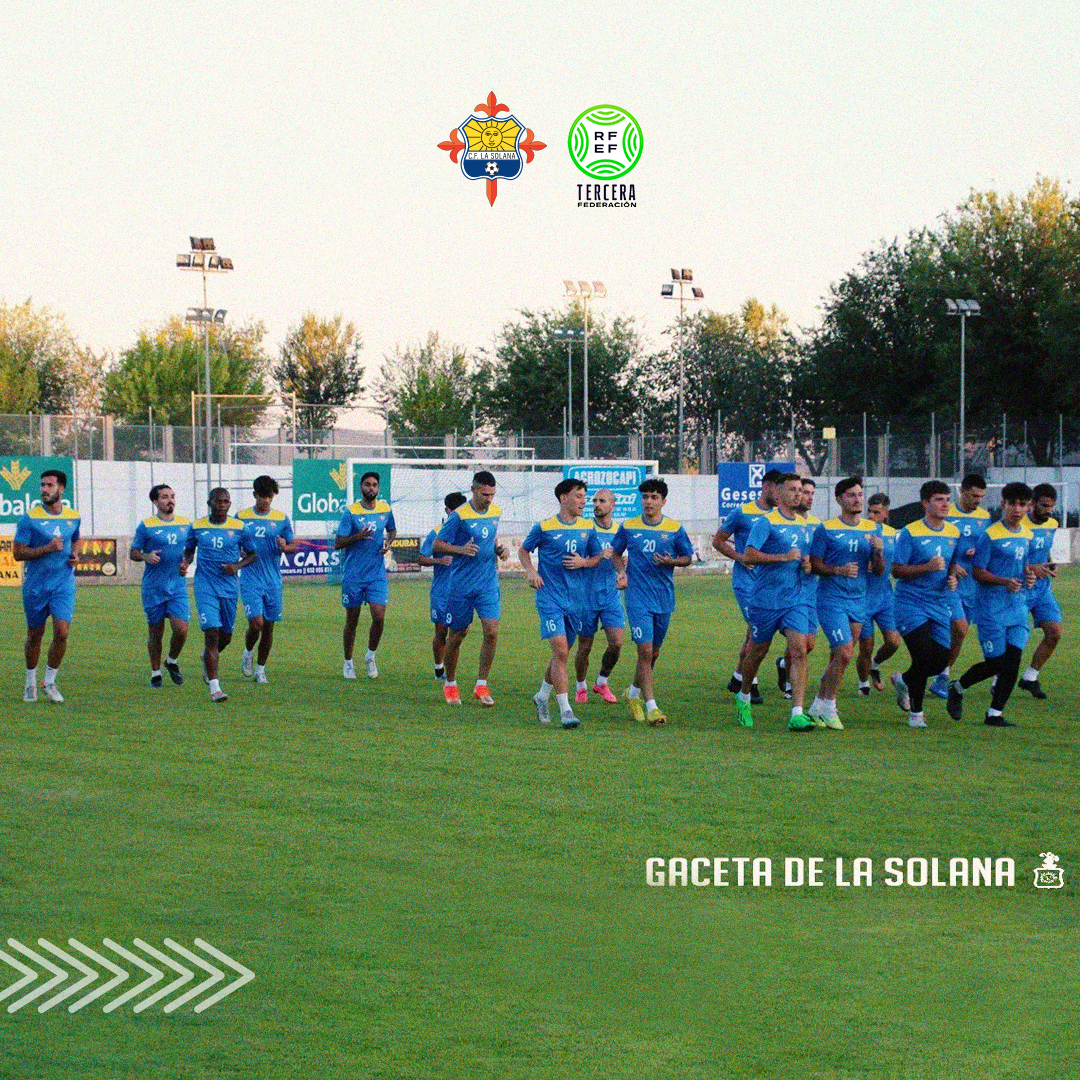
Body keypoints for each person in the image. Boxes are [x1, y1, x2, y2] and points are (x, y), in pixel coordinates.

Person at [946, 482, 1038, 727]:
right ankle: (957, 687)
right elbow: (978, 572)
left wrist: (1029, 576)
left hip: (1016, 608)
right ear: (1003, 504)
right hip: (991, 609)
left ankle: (994, 713)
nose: (1016, 509)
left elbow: (1024, 566)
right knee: (996, 663)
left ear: (1028, 506)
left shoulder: (1027, 535)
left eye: (1022, 504)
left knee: (1013, 661)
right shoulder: (990, 535)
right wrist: (1004, 581)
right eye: (1012, 504)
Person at [731, 473, 816, 731]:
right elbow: (749, 555)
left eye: (800, 489)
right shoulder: (766, 522)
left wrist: (808, 564)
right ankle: (744, 695)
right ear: (778, 494)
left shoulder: (805, 525)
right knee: (757, 651)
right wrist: (783, 557)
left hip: (795, 599)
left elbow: (806, 556)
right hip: (766, 600)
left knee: (799, 649)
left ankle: (797, 713)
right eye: (792, 489)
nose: (798, 494)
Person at [519, 478, 604, 729]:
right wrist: (531, 571)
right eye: (579, 496)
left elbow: (597, 557)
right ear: (563, 498)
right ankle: (566, 710)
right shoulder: (544, 527)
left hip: (576, 600)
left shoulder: (588, 527)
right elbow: (524, 550)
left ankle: (541, 696)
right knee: (561, 652)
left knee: (561, 655)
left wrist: (584, 562)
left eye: (584, 497)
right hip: (549, 598)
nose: (583, 501)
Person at [611, 477, 695, 726]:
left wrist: (672, 562)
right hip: (637, 598)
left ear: (663, 501)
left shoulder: (674, 528)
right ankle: (652, 707)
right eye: (645, 497)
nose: (649, 501)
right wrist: (621, 572)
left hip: (664, 598)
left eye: (654, 497)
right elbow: (615, 553)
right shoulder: (629, 526)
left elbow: (687, 557)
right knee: (645, 651)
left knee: (653, 653)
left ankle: (633, 693)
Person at [806, 476, 884, 729]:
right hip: (831, 599)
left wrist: (879, 551)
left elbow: (879, 571)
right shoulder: (826, 529)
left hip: (858, 599)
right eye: (851, 495)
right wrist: (838, 570)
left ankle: (818, 706)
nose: (857, 499)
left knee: (841, 657)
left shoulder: (872, 529)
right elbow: (814, 564)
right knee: (845, 651)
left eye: (860, 495)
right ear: (839, 500)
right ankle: (830, 707)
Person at [890, 480, 961, 729]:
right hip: (910, 602)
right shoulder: (910, 532)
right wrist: (927, 567)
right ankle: (916, 714)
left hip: (938, 603)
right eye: (939, 499)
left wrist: (952, 576)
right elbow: (896, 570)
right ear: (925, 503)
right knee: (922, 655)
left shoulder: (953, 532)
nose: (945, 504)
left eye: (947, 499)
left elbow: (952, 564)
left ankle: (904, 680)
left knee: (941, 661)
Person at [434, 471, 506, 706]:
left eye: (492, 494)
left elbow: (489, 539)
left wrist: (498, 550)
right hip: (461, 585)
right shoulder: (459, 515)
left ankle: (481, 685)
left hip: (487, 583)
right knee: (457, 635)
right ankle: (450, 684)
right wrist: (460, 550)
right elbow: (438, 544)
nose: (489, 499)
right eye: (485, 494)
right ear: (473, 489)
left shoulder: (495, 512)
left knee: (492, 631)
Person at [714, 469, 782, 705]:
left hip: (769, 584)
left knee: (754, 633)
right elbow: (718, 540)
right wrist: (740, 557)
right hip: (746, 583)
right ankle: (750, 685)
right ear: (766, 486)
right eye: (779, 489)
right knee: (756, 630)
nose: (782, 494)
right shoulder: (742, 512)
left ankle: (737, 678)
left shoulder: (780, 517)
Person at [13, 469, 81, 703]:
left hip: (63, 584)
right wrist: (47, 548)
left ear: (62, 489)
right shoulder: (30, 518)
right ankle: (30, 682)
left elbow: (76, 539)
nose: (44, 489)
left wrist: (75, 555)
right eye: (42, 485)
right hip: (36, 585)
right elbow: (18, 553)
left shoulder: (73, 516)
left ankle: (49, 682)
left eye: (50, 485)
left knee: (62, 633)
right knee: (35, 635)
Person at [183, 487, 256, 703]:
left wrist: (237, 566)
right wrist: (185, 562)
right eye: (218, 501)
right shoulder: (197, 526)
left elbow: (253, 554)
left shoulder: (239, 527)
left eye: (226, 501)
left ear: (229, 504)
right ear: (210, 503)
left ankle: (207, 657)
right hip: (205, 585)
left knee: (225, 636)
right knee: (212, 632)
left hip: (229, 588)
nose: (222, 505)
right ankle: (215, 689)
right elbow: (189, 550)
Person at [929, 474, 990, 697]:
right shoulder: (946, 513)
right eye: (974, 495)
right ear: (962, 492)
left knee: (960, 633)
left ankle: (941, 676)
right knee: (958, 627)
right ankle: (925, 672)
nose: (978, 500)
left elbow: (988, 546)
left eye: (981, 496)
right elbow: (936, 545)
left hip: (972, 585)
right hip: (948, 583)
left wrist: (979, 552)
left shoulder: (985, 517)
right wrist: (952, 565)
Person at [130, 484, 192, 688]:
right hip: (153, 587)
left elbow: (189, 551)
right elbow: (133, 552)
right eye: (164, 497)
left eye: (172, 496)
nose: (170, 500)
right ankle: (155, 673)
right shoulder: (146, 525)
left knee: (181, 629)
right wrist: (145, 556)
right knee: (156, 632)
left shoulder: (185, 523)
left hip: (177, 586)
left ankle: (171, 660)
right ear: (155, 501)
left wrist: (186, 563)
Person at [335, 471, 396, 679]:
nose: (371, 488)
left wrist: (388, 542)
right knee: (352, 620)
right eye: (368, 484)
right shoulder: (350, 512)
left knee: (379, 617)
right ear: (361, 487)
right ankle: (348, 662)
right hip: (353, 575)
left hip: (376, 575)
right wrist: (357, 536)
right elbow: (338, 543)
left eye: (374, 485)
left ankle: (370, 656)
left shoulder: (385, 509)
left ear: (378, 488)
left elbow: (392, 530)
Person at [238, 475, 297, 684]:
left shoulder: (281, 518)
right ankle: (248, 652)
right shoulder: (241, 517)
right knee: (256, 624)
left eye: (270, 496)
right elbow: (232, 542)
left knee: (269, 627)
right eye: (262, 496)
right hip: (250, 578)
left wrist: (284, 546)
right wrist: (239, 553)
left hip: (273, 580)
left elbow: (292, 546)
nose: (266, 500)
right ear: (255, 494)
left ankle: (260, 670)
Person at [573, 488, 627, 704]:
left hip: (610, 596)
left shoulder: (620, 531)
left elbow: (621, 558)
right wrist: (588, 560)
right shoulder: (585, 528)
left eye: (602, 501)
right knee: (584, 646)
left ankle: (602, 681)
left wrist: (623, 569)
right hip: (585, 596)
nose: (596, 504)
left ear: (612, 505)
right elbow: (576, 558)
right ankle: (581, 686)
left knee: (617, 643)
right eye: (594, 501)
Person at [1018, 483, 1063, 699]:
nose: (1049, 511)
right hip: (1019, 587)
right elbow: (1007, 558)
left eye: (1051, 506)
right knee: (1015, 640)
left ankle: (1030, 677)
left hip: (1042, 589)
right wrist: (1030, 568)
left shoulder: (1052, 524)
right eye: (1044, 506)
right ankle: (999, 679)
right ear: (1032, 503)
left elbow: (1045, 551)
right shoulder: (1018, 524)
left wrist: (1050, 564)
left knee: (1054, 632)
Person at [777, 476, 820, 699]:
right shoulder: (779, 522)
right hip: (786, 591)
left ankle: (783, 664)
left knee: (809, 644)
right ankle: (790, 684)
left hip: (811, 589)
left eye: (812, 493)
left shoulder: (817, 525)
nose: (808, 497)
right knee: (799, 644)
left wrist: (814, 564)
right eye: (804, 492)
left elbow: (821, 556)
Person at [419, 491, 468, 682]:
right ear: (447, 511)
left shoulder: (468, 531)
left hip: (462, 591)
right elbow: (421, 558)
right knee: (441, 631)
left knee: (460, 631)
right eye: (456, 511)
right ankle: (439, 669)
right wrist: (439, 561)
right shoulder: (436, 533)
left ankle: (449, 668)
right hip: (441, 591)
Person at [856, 493, 902, 694]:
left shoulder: (892, 533)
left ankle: (874, 664)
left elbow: (897, 562)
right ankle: (863, 684)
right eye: (870, 511)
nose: (872, 516)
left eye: (876, 512)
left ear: (886, 513)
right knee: (866, 646)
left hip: (885, 597)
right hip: (863, 598)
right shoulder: (860, 531)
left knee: (894, 641)